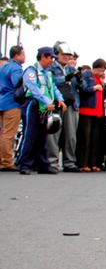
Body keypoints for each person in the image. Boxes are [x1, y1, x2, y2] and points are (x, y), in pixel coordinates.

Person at [17, 47, 66, 175]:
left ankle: (43, 164)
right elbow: (34, 90)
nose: (52, 61)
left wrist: (60, 99)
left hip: (44, 108)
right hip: (32, 105)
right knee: (30, 135)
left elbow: (53, 87)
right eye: (50, 58)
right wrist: (46, 102)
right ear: (43, 56)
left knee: (43, 136)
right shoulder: (31, 71)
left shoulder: (48, 73)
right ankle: (25, 164)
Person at [46, 41, 82, 172]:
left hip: (71, 104)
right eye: (64, 54)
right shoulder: (51, 68)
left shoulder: (71, 68)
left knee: (71, 135)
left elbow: (81, 87)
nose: (67, 57)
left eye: (68, 55)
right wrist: (66, 78)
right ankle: (52, 162)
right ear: (57, 54)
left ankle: (69, 162)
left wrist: (79, 79)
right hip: (56, 103)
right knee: (53, 135)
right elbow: (51, 82)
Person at [76, 58, 106, 172]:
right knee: (85, 138)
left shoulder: (100, 79)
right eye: (100, 70)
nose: (101, 73)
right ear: (95, 68)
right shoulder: (86, 75)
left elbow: (104, 94)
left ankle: (93, 163)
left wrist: (103, 84)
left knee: (95, 139)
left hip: (98, 111)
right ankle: (83, 163)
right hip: (87, 110)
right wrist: (95, 87)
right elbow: (82, 88)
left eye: (103, 71)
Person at [0, 46, 26, 171]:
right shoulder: (16, 68)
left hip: (2, 100)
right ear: (16, 55)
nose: (24, 57)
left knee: (3, 133)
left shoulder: (4, 66)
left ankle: (2, 159)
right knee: (9, 134)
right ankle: (6, 161)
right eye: (23, 54)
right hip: (12, 103)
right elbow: (18, 84)